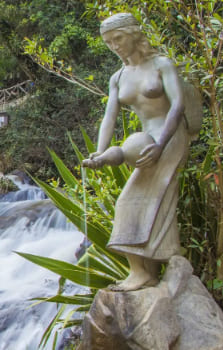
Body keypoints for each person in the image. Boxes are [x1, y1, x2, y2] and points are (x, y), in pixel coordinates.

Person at [81, 13, 193, 291]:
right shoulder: (118, 77)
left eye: (118, 38)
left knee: (131, 199)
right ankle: (147, 271)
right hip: (144, 141)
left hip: (168, 136)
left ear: (133, 33)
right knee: (145, 199)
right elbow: (109, 116)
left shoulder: (161, 64)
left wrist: (161, 143)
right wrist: (98, 151)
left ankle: (141, 273)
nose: (114, 46)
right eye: (108, 42)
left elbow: (177, 105)